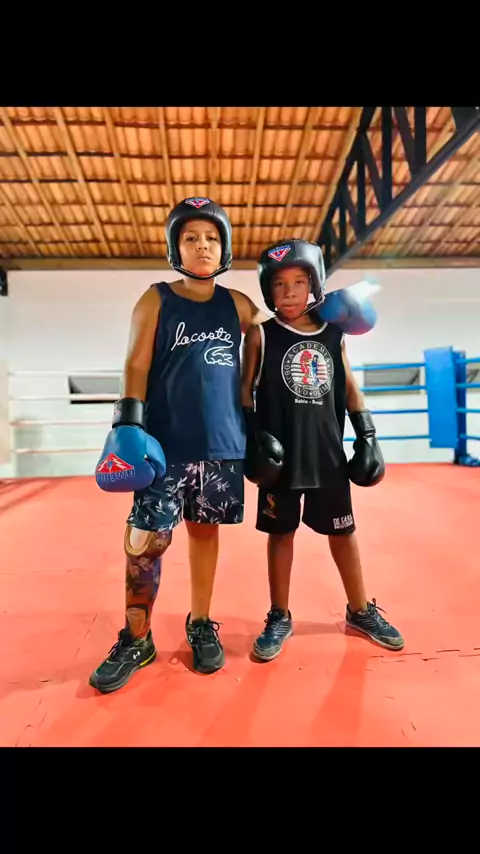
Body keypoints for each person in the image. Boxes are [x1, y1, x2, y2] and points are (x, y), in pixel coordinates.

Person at [89, 197, 279, 693]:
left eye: (211, 238)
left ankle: (200, 623)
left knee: (204, 532)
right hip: (163, 444)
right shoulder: (156, 299)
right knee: (145, 541)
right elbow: (135, 363)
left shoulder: (238, 305)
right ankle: (137, 638)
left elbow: (269, 335)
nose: (202, 246)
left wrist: (255, 413)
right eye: (191, 238)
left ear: (225, 246)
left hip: (223, 444)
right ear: (176, 247)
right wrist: (127, 424)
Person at [241, 238, 404, 661]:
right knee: (280, 533)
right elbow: (243, 392)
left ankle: (360, 609)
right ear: (268, 290)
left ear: (313, 284)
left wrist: (367, 435)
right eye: (279, 284)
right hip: (280, 458)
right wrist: (251, 439)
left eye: (298, 282)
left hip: (328, 453)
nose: (289, 292)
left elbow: (349, 386)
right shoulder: (261, 334)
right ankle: (279, 615)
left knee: (343, 531)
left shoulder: (334, 335)